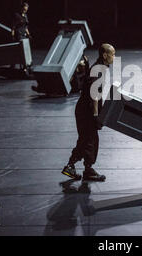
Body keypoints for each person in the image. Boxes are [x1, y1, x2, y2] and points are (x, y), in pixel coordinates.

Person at [62, 44, 116, 182]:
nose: (114, 57)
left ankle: (82, 168)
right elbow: (94, 96)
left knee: (87, 140)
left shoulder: (100, 68)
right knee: (89, 140)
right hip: (86, 111)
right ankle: (78, 168)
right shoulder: (98, 70)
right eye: (112, 54)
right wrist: (96, 115)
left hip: (84, 109)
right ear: (105, 55)